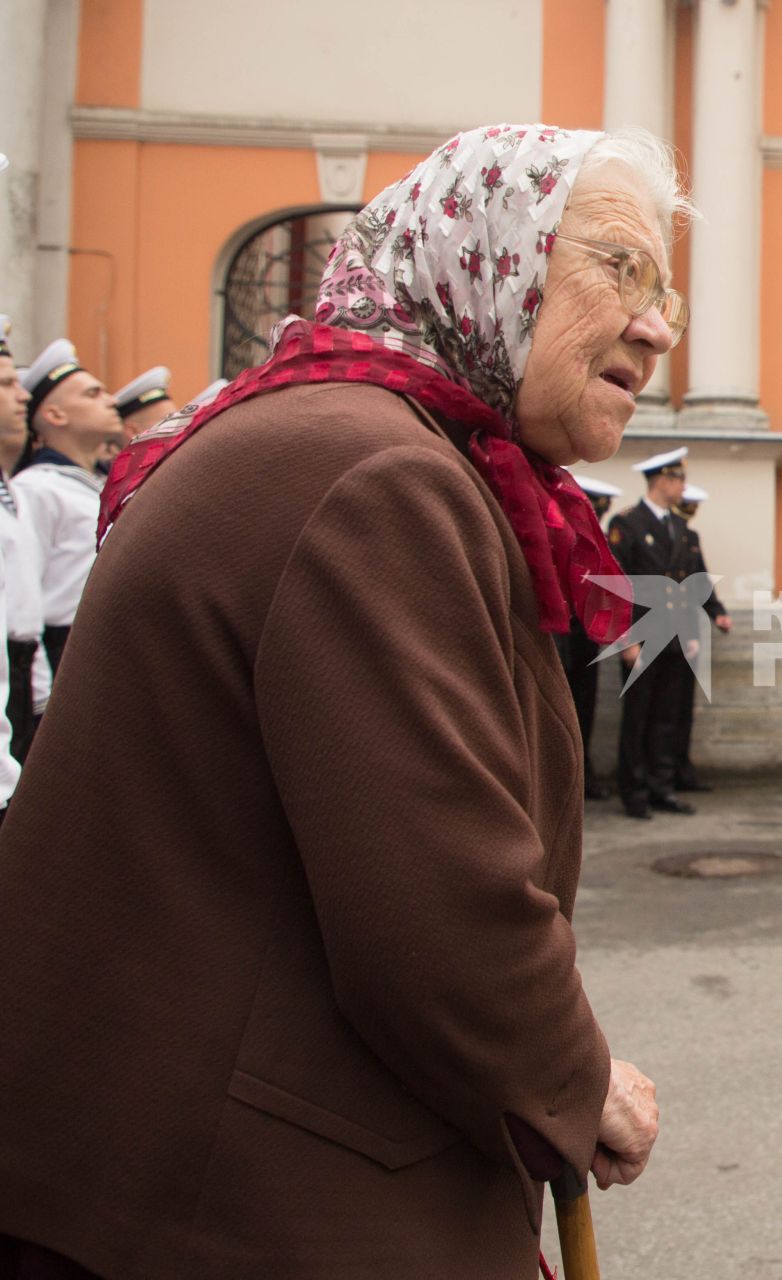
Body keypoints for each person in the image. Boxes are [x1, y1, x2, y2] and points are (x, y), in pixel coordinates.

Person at [0, 124, 677, 1277]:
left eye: (663, 289)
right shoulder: (378, 474)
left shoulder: (362, 438)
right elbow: (438, 911)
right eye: (617, 268)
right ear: (488, 257)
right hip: (236, 1199)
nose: (659, 326)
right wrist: (573, 1078)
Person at [608, 447, 705, 819]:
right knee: (638, 717)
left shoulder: (679, 527)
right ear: (663, 480)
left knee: (666, 717)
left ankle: (661, 786)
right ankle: (634, 792)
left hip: (675, 638)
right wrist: (625, 639)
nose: (683, 485)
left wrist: (691, 633)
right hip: (643, 638)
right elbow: (616, 586)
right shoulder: (627, 523)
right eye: (679, 478)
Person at [14, 338, 119, 679]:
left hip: (107, 647)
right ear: (55, 414)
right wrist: (41, 694)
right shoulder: (38, 488)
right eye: (92, 394)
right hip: (64, 653)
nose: (111, 400)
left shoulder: (99, 485)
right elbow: (24, 598)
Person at [560, 471, 623, 800]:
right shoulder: (564, 536)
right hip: (562, 640)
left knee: (585, 709)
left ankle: (583, 774)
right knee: (564, 712)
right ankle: (566, 777)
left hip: (586, 639)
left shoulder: (592, 542)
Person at [667, 481, 730, 792]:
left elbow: (700, 579)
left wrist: (716, 610)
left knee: (680, 710)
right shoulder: (669, 535)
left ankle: (680, 770)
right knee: (661, 713)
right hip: (665, 631)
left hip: (687, 629)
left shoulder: (689, 537)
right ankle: (660, 776)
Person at [0, 321, 44, 763]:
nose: (23, 395)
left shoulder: (11, 488)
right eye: (6, 383)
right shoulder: (40, 486)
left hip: (22, 667)